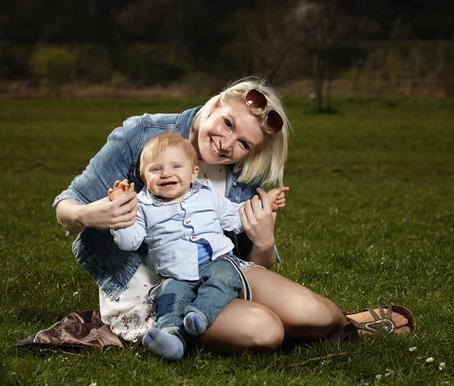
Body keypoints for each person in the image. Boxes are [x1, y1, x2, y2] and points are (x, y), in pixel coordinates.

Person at [53, 76, 414, 355]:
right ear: (215, 104)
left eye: (244, 143)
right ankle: (172, 330)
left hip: (219, 273)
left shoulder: (240, 171)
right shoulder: (143, 135)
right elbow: (65, 207)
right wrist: (90, 214)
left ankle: (345, 324)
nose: (228, 144)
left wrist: (264, 241)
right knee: (264, 332)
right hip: (151, 287)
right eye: (227, 124)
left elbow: (251, 262)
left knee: (315, 312)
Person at [108, 132, 288, 360]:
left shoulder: (206, 195)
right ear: (143, 176)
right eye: (156, 169)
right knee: (169, 299)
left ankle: (201, 314)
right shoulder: (142, 207)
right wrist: (120, 211)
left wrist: (266, 203)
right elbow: (128, 241)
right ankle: (171, 338)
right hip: (176, 274)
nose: (166, 173)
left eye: (176, 166)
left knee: (225, 278)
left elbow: (236, 216)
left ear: (193, 173)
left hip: (217, 261)